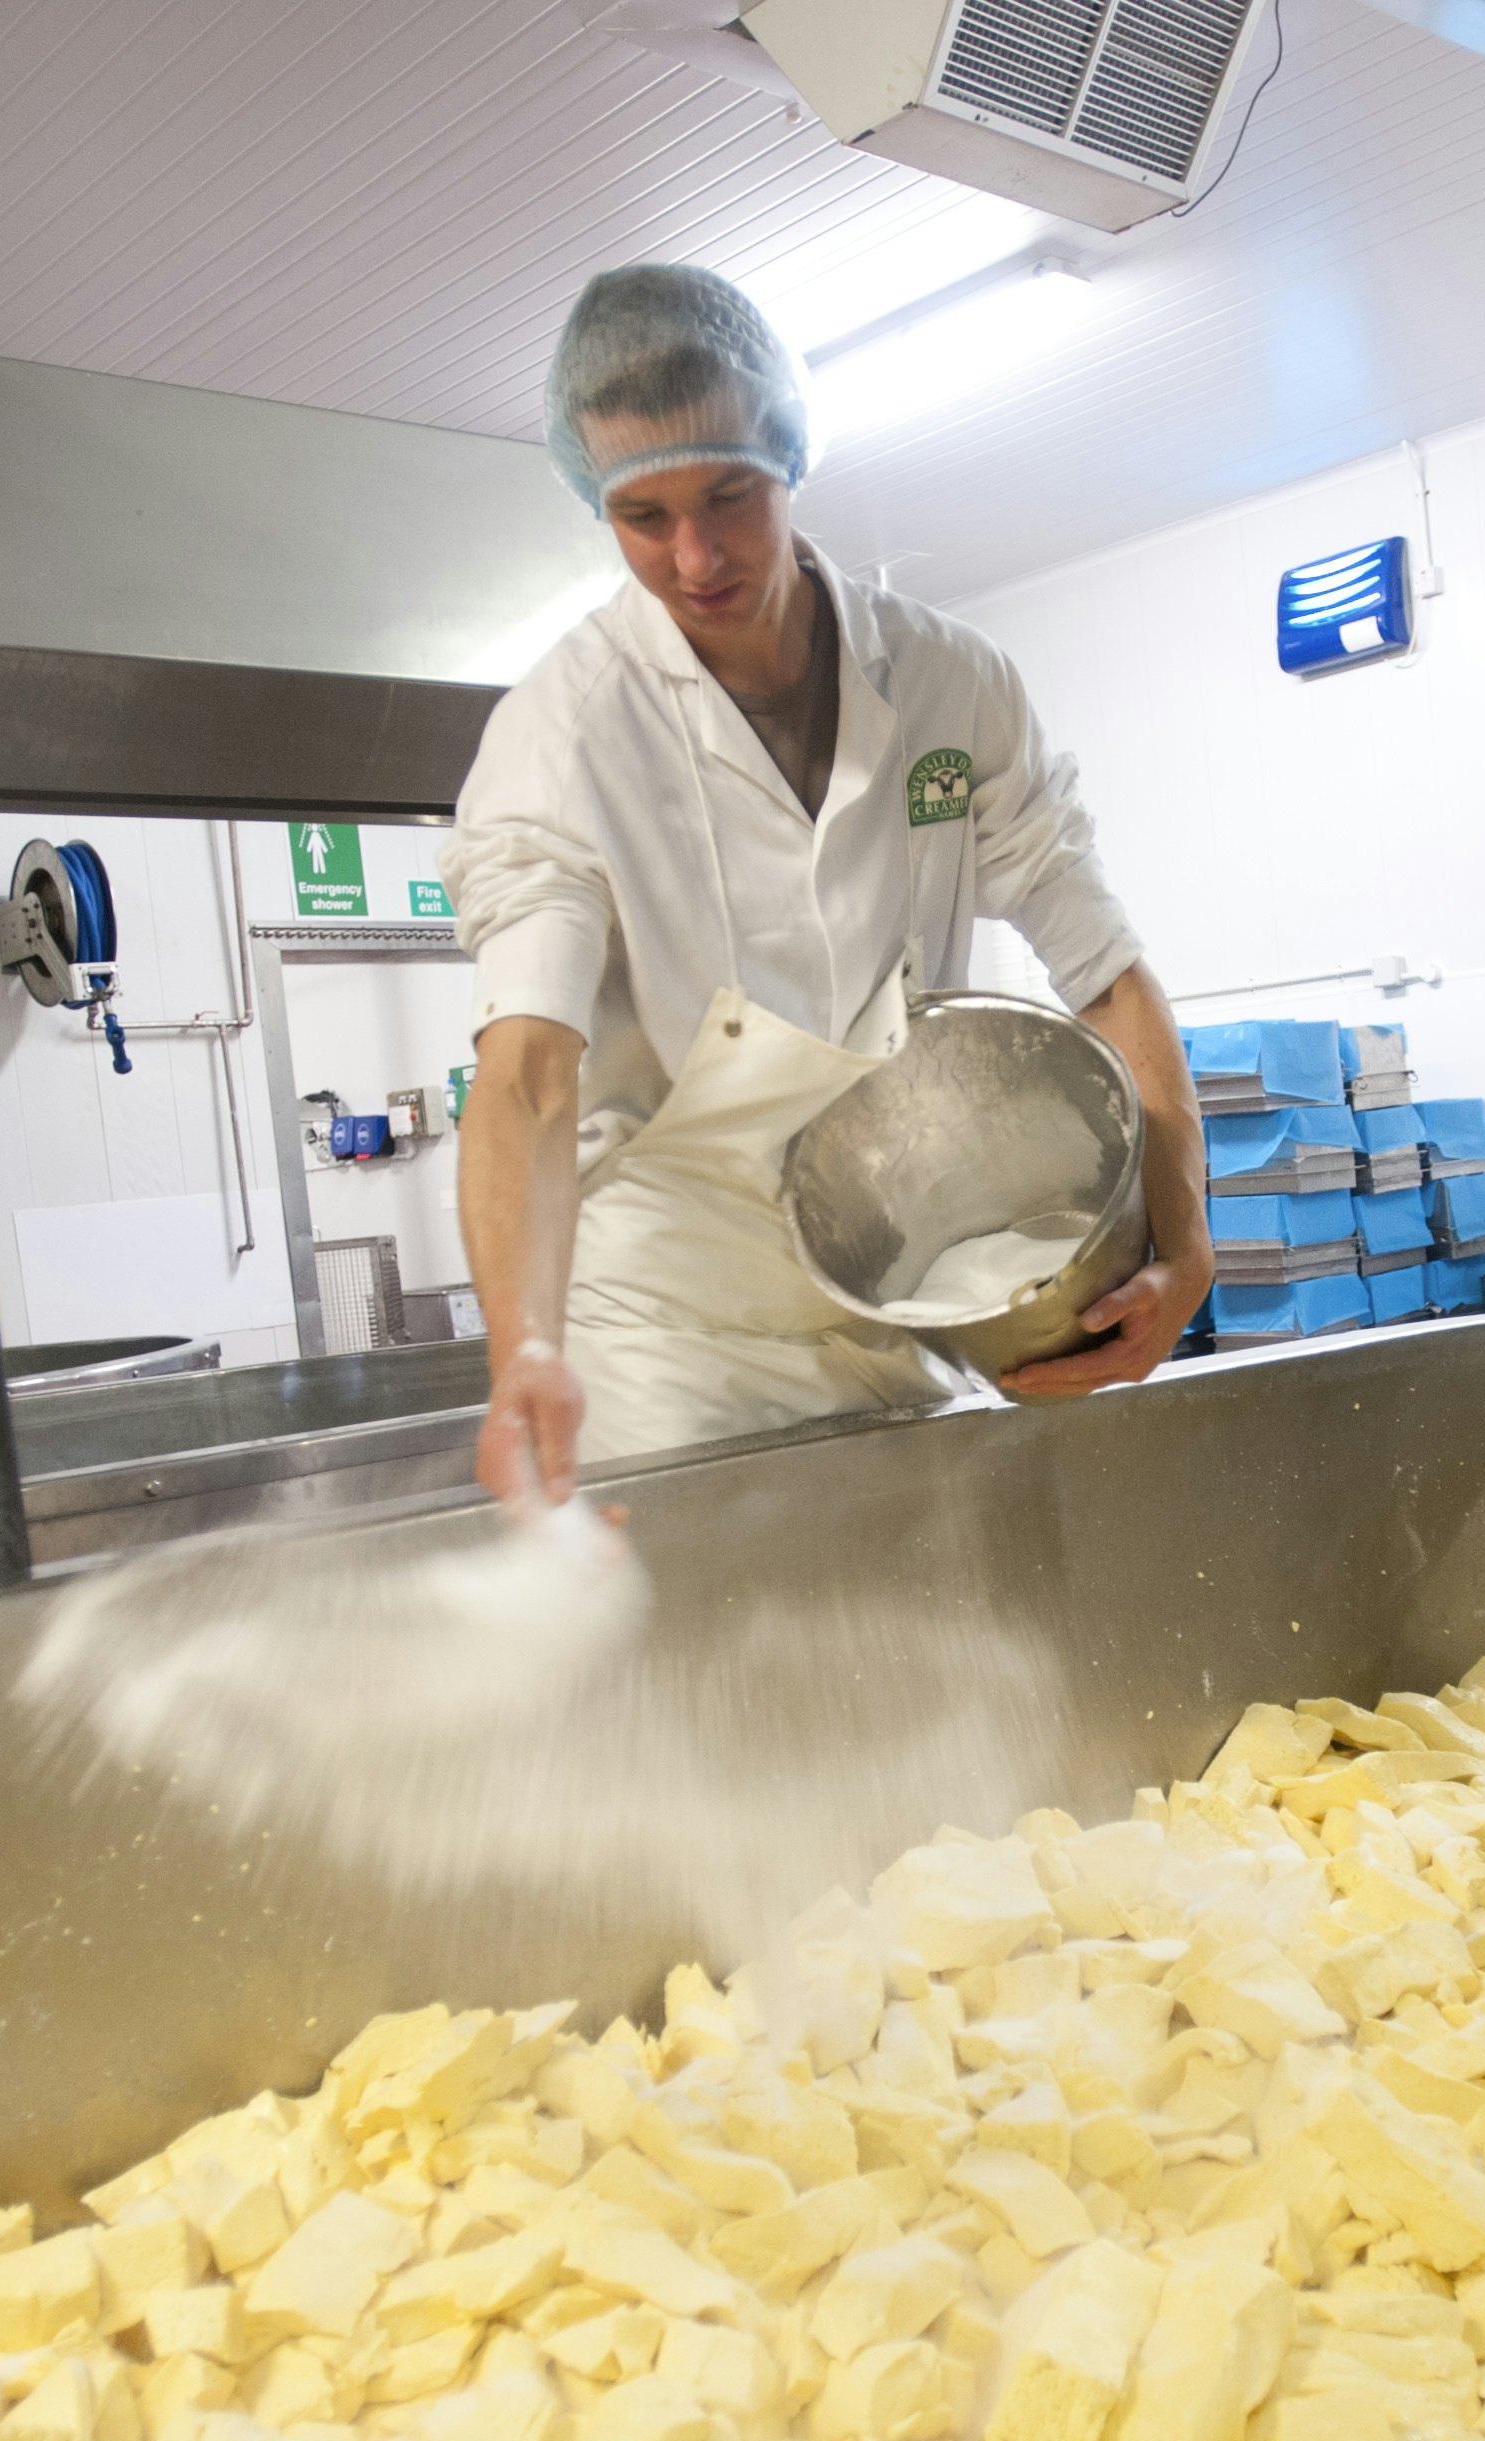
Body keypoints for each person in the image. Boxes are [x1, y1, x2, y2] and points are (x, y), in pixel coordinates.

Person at [446, 263, 1211, 1509]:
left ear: (789, 455)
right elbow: (528, 1074)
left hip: (911, 1305)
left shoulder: (950, 684)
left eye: (728, 495)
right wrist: (522, 1347)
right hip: (670, 1344)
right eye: (643, 517)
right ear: (596, 502)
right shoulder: (564, 735)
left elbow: (1105, 976)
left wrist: (1186, 1243)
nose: (695, 555)